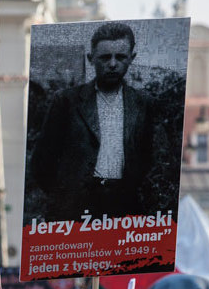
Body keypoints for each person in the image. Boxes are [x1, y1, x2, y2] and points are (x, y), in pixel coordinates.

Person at [30, 21, 157, 220]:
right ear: (91, 58)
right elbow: (41, 163)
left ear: (132, 58)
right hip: (73, 211)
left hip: (124, 209)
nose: (113, 64)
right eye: (105, 57)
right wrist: (65, 198)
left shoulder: (144, 105)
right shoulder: (66, 102)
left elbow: (149, 159)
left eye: (121, 57)